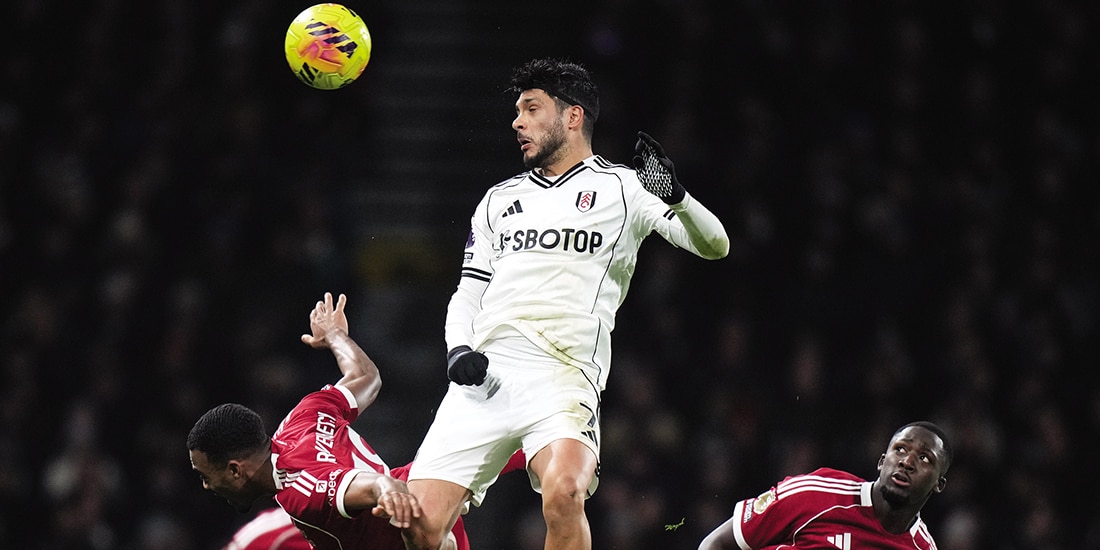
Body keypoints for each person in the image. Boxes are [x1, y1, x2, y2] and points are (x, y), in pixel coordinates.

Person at [403, 57, 730, 550]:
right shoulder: (497, 200)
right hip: (484, 375)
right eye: (517, 111)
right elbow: (469, 291)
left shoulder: (624, 188)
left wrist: (678, 197)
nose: (517, 121)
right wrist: (457, 349)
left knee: (565, 490)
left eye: (531, 109)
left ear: (572, 117)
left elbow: (716, 244)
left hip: (562, 375)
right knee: (419, 525)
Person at [188, 292, 525, 550]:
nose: (206, 486)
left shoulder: (298, 491)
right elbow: (365, 377)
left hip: (415, 531)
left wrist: (385, 490)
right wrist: (335, 336)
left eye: (205, 476)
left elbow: (362, 485)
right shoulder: (301, 417)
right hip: (423, 484)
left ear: (235, 469)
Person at [698, 421, 953, 550]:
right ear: (881, 462)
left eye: (924, 458)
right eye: (900, 449)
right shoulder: (815, 494)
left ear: (939, 484)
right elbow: (717, 544)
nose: (907, 462)